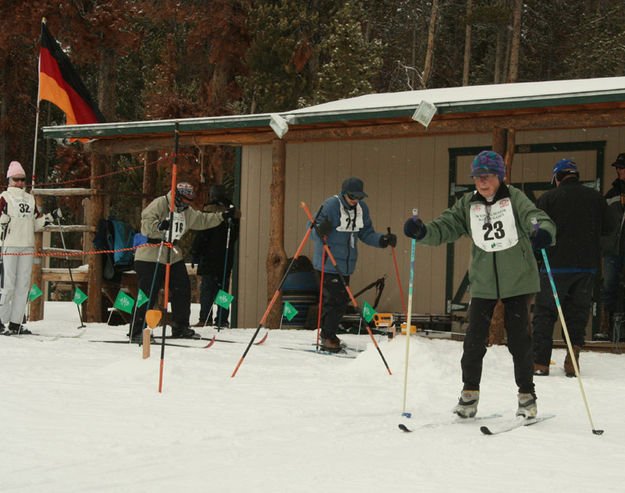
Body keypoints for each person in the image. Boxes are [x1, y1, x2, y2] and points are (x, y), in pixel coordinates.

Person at [403, 150, 556, 419]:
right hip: (484, 282)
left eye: (487, 177)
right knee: (474, 340)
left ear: (500, 176)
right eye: (477, 178)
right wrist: (423, 232)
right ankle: (469, 394)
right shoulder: (467, 205)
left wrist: (542, 231)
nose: (482, 183)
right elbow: (445, 226)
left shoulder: (514, 199)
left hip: (518, 280)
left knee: (519, 341)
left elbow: (536, 217)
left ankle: (526, 395)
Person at [532, 159, 613, 377]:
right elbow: (608, 230)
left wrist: (537, 255)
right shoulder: (596, 198)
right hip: (586, 267)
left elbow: (536, 230)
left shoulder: (548, 198)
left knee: (545, 312)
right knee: (577, 312)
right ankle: (572, 356)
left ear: (557, 178)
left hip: (554, 266)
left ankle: (540, 362)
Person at [129, 182, 235, 342]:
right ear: (177, 196)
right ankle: (137, 330)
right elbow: (146, 223)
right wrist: (159, 226)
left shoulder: (186, 211)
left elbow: (201, 220)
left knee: (182, 289)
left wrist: (221, 216)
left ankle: (180, 326)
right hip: (151, 255)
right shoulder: (160, 203)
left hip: (172, 255)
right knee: (148, 293)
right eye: (184, 200)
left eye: (189, 202)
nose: (186, 204)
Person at [312, 177, 396, 352]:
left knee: (341, 301)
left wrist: (382, 240)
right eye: (352, 197)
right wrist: (321, 230)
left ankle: (330, 333)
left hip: (346, 265)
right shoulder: (330, 205)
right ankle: (327, 337)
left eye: (359, 197)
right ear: (344, 194)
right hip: (328, 263)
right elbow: (311, 231)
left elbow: (366, 233)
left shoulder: (361, 209)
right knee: (334, 300)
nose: (356, 200)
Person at [0, 161, 60, 335]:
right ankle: (1, 320)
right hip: (9, 245)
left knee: (23, 285)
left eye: (22, 179)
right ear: (9, 180)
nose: (19, 183)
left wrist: (49, 219)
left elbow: (34, 224)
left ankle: (15, 323)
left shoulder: (29, 198)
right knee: (8, 284)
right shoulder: (4, 197)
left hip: (26, 245)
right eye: (15, 179)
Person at [191, 184, 240, 328]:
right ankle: (222, 319)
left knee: (207, 289)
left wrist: (195, 252)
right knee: (223, 288)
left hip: (209, 257)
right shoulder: (232, 211)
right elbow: (234, 236)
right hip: (225, 256)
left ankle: (205, 318)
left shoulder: (208, 211)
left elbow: (202, 235)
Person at [598, 152, 625, 340]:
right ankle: (607, 328)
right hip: (613, 250)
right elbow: (602, 221)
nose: (618, 170)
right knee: (609, 287)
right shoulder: (612, 192)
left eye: (621, 167)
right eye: (617, 167)